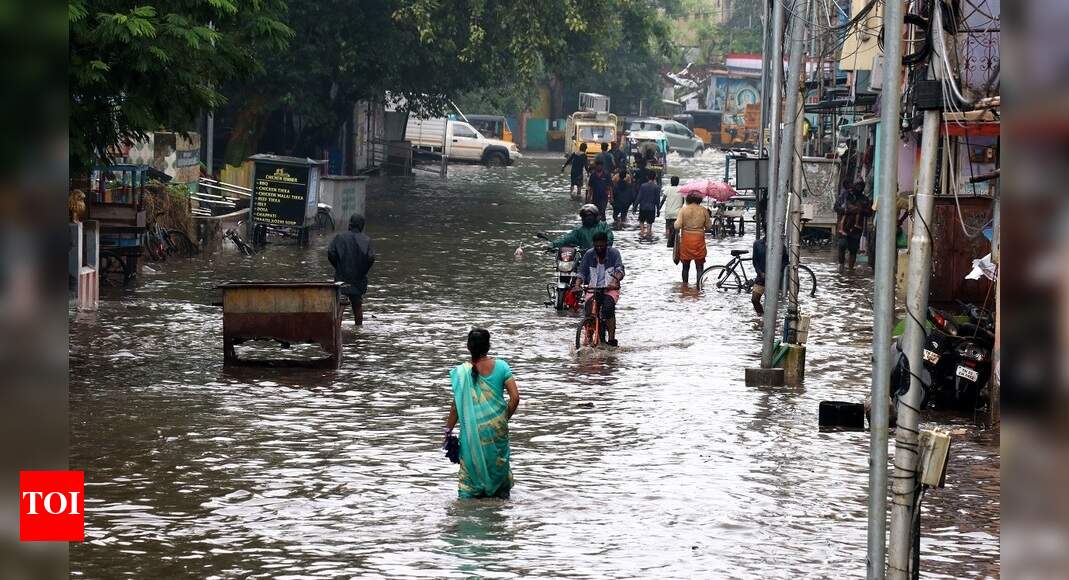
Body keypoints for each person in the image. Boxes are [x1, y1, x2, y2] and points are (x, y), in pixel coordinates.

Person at [444, 328, 520, 499]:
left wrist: (448, 431)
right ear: (488, 346)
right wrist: (501, 419)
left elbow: (456, 407)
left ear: (468, 347)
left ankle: (468, 506)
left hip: (472, 433)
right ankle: (498, 502)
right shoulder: (501, 366)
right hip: (497, 430)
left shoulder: (462, 373)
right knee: (498, 469)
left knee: (469, 480)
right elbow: (515, 398)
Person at [574, 232, 625, 346]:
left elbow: (619, 269)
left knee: (608, 309)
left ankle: (611, 339)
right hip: (593, 288)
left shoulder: (614, 253)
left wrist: (615, 280)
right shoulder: (589, 254)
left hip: (610, 289)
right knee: (589, 311)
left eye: (601, 246)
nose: (599, 248)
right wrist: (577, 285)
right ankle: (589, 338)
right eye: (597, 246)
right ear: (594, 245)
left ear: (606, 244)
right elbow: (581, 272)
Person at [327, 214, 376, 325]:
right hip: (358, 279)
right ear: (362, 226)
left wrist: (338, 267)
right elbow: (371, 258)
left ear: (350, 224)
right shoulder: (367, 240)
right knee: (357, 304)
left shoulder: (339, 237)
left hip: (341, 278)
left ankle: (336, 327)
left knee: (340, 305)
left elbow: (330, 253)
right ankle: (358, 330)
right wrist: (362, 271)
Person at [674, 193, 711, 284]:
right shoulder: (703, 210)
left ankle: (685, 286)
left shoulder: (684, 210)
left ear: (688, 199)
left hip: (686, 241)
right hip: (699, 240)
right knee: (699, 266)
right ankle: (699, 287)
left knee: (685, 266)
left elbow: (677, 226)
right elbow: (709, 227)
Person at [550, 204, 615, 252]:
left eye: (590, 215)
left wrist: (599, 247)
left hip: (602, 255)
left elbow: (610, 238)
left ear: (595, 216)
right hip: (585, 257)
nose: (588, 218)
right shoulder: (579, 229)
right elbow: (566, 238)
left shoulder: (603, 226)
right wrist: (552, 244)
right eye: (585, 216)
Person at [837, 182, 871, 272]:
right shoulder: (845, 196)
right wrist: (846, 210)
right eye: (857, 186)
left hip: (856, 229)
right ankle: (841, 266)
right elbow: (836, 207)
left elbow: (869, 212)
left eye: (861, 187)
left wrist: (861, 210)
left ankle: (851, 270)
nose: (859, 188)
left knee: (853, 249)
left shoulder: (864, 199)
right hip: (844, 227)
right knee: (842, 245)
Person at [751, 235, 787, 315]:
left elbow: (785, 261)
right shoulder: (757, 244)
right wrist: (760, 272)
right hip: (761, 277)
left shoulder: (780, 245)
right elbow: (755, 261)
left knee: (771, 303)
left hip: (774, 278)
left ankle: (770, 321)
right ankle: (761, 317)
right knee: (755, 299)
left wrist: (776, 271)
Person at [635, 170, 661, 239]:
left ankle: (642, 234)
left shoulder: (643, 186)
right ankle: (648, 237)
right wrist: (658, 210)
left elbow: (639, 197)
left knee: (641, 223)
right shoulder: (657, 187)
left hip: (643, 208)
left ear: (647, 177)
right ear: (655, 177)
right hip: (651, 209)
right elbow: (657, 201)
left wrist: (635, 207)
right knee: (649, 227)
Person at [661, 175, 683, 248]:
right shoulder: (681, 190)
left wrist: (658, 208)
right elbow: (683, 201)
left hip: (669, 213)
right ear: (678, 182)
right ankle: (676, 241)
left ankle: (668, 240)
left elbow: (663, 200)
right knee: (677, 228)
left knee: (668, 228)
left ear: (671, 182)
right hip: (678, 213)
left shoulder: (668, 189)